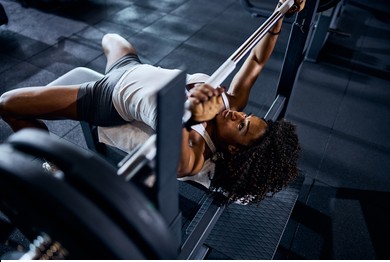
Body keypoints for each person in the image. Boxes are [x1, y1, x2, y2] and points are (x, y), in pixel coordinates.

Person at [0, 0, 304, 204]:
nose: (238, 115)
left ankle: (51, 164)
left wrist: (195, 116)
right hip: (132, 68)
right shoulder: (228, 102)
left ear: (234, 148)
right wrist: (279, 15)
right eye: (246, 115)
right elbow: (255, 62)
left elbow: (174, 145)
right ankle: (119, 53)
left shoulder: (194, 156)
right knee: (111, 37)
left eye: (242, 126)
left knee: (7, 103)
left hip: (107, 97)